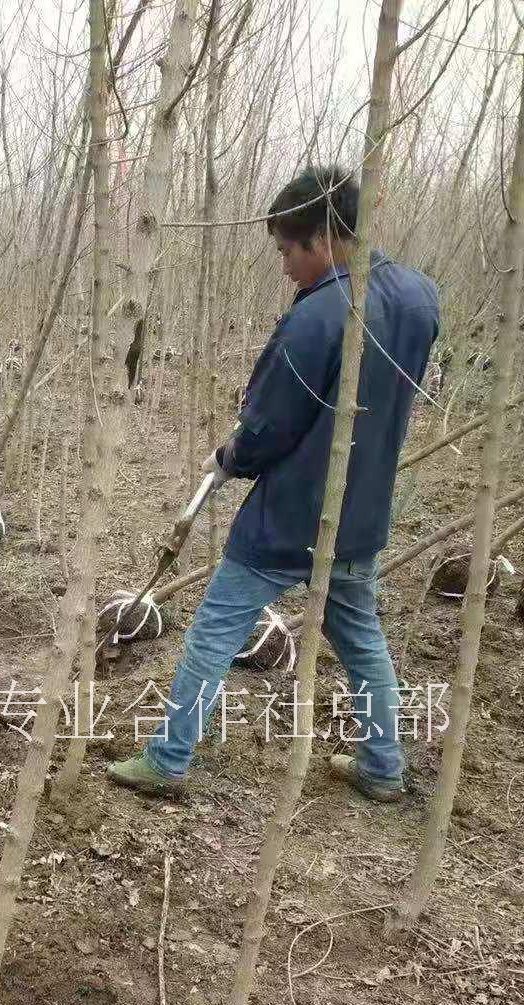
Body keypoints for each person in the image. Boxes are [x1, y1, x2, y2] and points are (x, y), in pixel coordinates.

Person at [107, 165, 439, 803]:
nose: (285, 266)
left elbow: (268, 425)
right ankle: (383, 765)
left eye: (288, 251)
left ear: (323, 239)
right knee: (361, 636)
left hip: (290, 517)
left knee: (214, 631)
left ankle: (168, 759)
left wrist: (234, 454)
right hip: (362, 512)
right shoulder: (419, 297)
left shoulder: (317, 319)